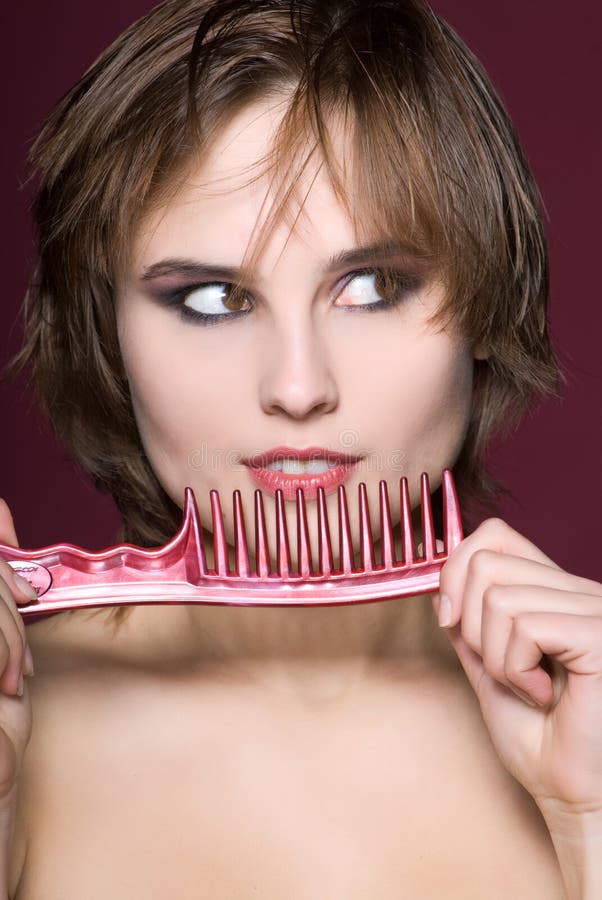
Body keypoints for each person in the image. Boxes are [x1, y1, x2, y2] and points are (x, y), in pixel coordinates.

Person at [0, 0, 600, 896]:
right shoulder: (25, 735)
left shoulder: (585, 729)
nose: (297, 385)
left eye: (372, 287)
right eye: (210, 299)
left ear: (482, 305)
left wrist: (591, 821)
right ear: (108, 333)